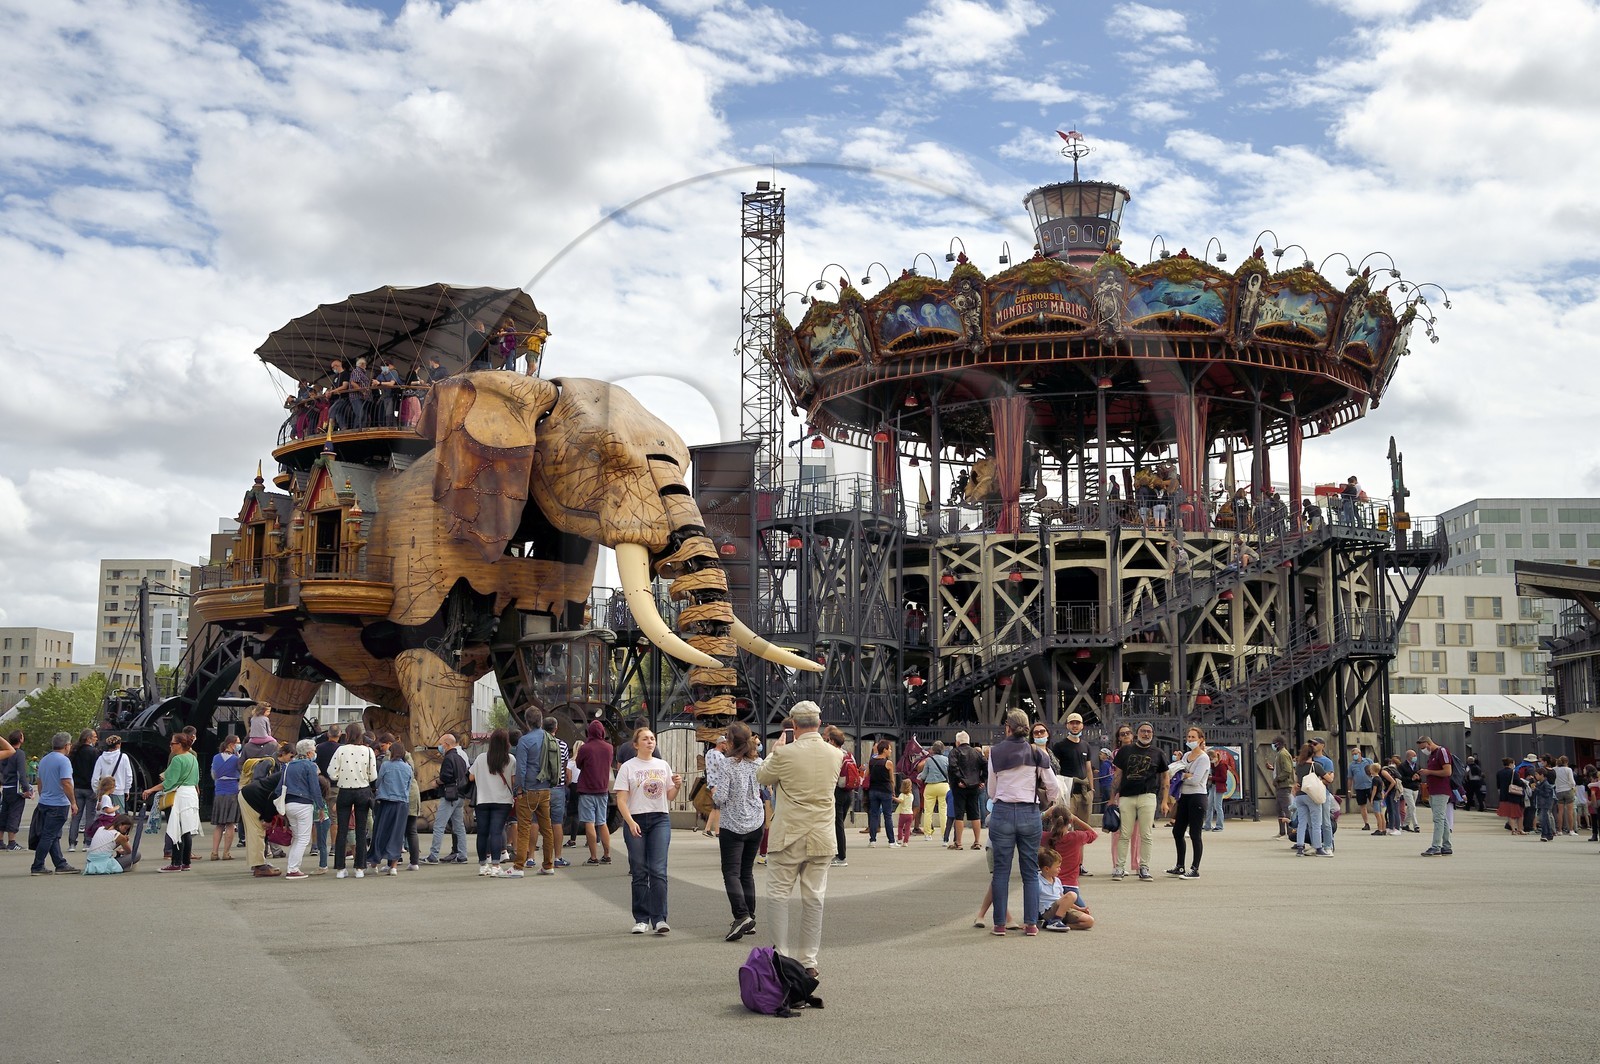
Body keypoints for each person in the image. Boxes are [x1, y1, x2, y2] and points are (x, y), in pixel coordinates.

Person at [757, 701, 844, 977]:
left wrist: (775, 752)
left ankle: (781, 958)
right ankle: (808, 961)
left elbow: (762, 776)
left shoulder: (784, 754)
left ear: (793, 725)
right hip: (821, 834)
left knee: (779, 895)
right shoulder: (836, 754)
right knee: (814, 898)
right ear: (819, 724)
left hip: (789, 833)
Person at [986, 709, 1060, 935]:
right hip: (1030, 812)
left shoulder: (995, 752)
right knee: (1029, 871)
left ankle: (999, 924)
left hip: (1003, 812)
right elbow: (1053, 787)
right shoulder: (1038, 753)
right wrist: (1049, 804)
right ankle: (1030, 924)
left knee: (1001, 872)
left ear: (1007, 727)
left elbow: (991, 790)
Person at [614, 727, 681, 934]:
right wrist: (630, 821)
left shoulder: (662, 765)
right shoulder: (628, 767)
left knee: (658, 870)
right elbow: (621, 799)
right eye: (645, 739)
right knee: (639, 871)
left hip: (660, 818)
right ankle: (641, 918)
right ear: (636, 744)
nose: (650, 742)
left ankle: (660, 918)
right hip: (636, 819)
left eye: (652, 739)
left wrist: (677, 786)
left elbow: (668, 796)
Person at [712, 722, 764, 942]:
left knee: (731, 872)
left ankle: (741, 915)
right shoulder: (758, 762)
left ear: (731, 742)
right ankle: (750, 916)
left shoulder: (727, 764)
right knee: (746, 871)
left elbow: (721, 796)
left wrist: (713, 792)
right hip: (756, 821)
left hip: (733, 823)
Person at [1109, 721, 1168, 881]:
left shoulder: (1158, 753)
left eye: (1149, 731)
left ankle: (1144, 867)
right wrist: (1111, 798)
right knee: (1124, 834)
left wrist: (1164, 800)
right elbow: (1118, 775)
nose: (1146, 734)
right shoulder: (1125, 751)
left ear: (1152, 734)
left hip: (1147, 795)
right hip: (1127, 796)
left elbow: (1165, 776)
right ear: (1137, 733)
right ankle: (1119, 868)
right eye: (1143, 731)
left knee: (1146, 834)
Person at [141, 732, 199, 873]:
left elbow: (169, 783)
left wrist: (151, 789)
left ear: (180, 744)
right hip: (190, 795)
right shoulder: (193, 758)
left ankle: (176, 862)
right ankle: (186, 862)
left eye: (173, 743)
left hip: (179, 796)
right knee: (186, 829)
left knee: (175, 829)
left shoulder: (177, 760)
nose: (170, 746)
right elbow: (196, 779)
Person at [329, 722, 379, 879]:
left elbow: (332, 773)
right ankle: (360, 867)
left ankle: (340, 868)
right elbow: (373, 776)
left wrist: (341, 776)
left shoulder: (341, 750)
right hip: (363, 790)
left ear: (347, 734)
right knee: (361, 829)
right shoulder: (368, 751)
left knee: (342, 829)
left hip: (345, 790)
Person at [239, 743, 293, 877]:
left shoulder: (287, 773)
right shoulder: (285, 775)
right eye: (291, 756)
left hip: (252, 795)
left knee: (257, 832)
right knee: (256, 832)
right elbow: (273, 797)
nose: (291, 760)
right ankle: (259, 866)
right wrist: (267, 818)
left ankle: (259, 862)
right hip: (252, 798)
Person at [513, 719, 559, 875]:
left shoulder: (525, 740)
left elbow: (521, 768)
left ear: (527, 721)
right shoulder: (550, 738)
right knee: (547, 829)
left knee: (524, 827)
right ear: (540, 721)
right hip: (546, 788)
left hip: (529, 789)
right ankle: (548, 865)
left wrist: (519, 788)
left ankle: (519, 866)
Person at [30, 732, 79, 876]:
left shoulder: (45, 759)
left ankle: (60, 863)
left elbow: (40, 782)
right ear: (66, 745)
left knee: (53, 834)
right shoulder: (64, 761)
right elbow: (66, 782)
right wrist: (73, 802)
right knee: (49, 835)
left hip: (45, 801)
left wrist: (43, 795)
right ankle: (37, 865)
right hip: (58, 803)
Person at [470, 729, 517, 877]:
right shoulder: (511, 759)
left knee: (482, 833)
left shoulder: (481, 758)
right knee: (496, 831)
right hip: (502, 801)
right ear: (506, 743)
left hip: (483, 800)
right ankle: (496, 866)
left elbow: (471, 778)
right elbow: (514, 781)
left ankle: (483, 865)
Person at [1166, 726, 1210, 879]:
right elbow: (1177, 773)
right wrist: (1185, 775)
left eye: (1193, 737)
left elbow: (1196, 780)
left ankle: (1195, 868)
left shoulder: (1203, 758)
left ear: (1201, 740)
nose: (1190, 740)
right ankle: (1180, 865)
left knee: (1195, 833)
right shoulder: (1186, 755)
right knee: (1177, 831)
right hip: (1184, 797)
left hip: (1197, 797)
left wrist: (1183, 776)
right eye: (1189, 737)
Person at [279, 739, 322, 880]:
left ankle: (292, 866)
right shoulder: (310, 766)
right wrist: (321, 807)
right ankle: (293, 869)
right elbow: (315, 788)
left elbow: (279, 788)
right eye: (314, 751)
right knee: (303, 838)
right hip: (303, 803)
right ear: (309, 753)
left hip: (289, 804)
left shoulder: (289, 765)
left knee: (297, 837)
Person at [573, 720, 613, 865]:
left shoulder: (585, 748)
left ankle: (593, 857)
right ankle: (607, 855)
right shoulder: (609, 748)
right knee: (602, 822)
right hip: (602, 789)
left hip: (587, 789)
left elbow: (578, 764)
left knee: (589, 822)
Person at [427, 732, 471, 864]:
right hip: (460, 795)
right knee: (459, 826)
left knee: (439, 825)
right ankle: (462, 854)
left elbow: (446, 776)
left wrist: (437, 782)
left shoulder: (448, 758)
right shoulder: (461, 758)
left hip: (449, 795)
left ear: (446, 744)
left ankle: (433, 855)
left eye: (441, 744)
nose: (440, 747)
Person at [371, 736, 412, 876]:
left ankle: (374, 863)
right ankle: (393, 866)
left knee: (380, 832)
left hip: (386, 801)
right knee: (397, 834)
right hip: (402, 803)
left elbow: (378, 782)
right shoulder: (408, 767)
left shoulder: (386, 765)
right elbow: (408, 785)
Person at [1049, 712, 1092, 827]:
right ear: (1067, 726)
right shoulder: (1059, 746)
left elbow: (1088, 769)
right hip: (1068, 793)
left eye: (1077, 723)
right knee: (1064, 827)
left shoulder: (1086, 746)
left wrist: (1091, 789)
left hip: (1084, 792)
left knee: (1082, 829)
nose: (1075, 726)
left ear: (1082, 725)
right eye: (1072, 723)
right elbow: (1054, 769)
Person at [1291, 742, 1331, 857]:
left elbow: (1296, 780)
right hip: (1312, 796)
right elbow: (1328, 779)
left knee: (1302, 822)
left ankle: (1300, 847)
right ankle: (1318, 847)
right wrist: (1329, 774)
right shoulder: (1315, 766)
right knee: (1316, 823)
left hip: (1300, 796)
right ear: (1312, 753)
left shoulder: (1298, 766)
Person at [1417, 735, 1454, 856]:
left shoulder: (1442, 751)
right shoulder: (1432, 755)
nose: (1423, 750)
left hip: (1441, 790)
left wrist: (1429, 772)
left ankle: (1436, 846)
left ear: (1428, 743)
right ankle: (1446, 846)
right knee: (1442, 818)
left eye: (1423, 747)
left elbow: (1448, 771)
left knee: (1438, 818)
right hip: (1434, 790)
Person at [948, 730, 984, 850]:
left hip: (960, 787)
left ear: (957, 742)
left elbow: (953, 767)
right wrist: (981, 780)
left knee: (959, 814)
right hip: (974, 786)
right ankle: (977, 841)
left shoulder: (954, 752)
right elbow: (985, 764)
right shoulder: (977, 753)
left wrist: (960, 780)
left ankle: (959, 843)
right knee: (975, 814)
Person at [208, 734, 242, 861]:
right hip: (232, 791)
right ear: (231, 744)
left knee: (219, 825)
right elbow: (241, 771)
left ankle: (214, 852)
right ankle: (226, 853)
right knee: (230, 824)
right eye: (237, 742)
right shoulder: (236, 759)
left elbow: (213, 775)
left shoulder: (216, 757)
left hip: (219, 792)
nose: (239, 745)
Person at [824, 726, 854, 867]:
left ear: (832, 740)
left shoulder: (833, 754)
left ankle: (841, 856)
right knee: (839, 824)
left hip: (837, 791)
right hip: (848, 792)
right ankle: (838, 854)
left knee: (837, 825)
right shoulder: (848, 754)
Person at [67, 727, 99, 852]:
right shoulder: (94, 752)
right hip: (90, 787)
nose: (96, 738)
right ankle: (87, 842)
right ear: (89, 738)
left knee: (76, 816)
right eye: (94, 736)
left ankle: (72, 843)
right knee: (90, 816)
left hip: (77, 787)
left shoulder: (74, 751)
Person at [2, 729, 31, 850]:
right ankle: (12, 841)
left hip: (6, 786)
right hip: (15, 787)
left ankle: (0, 841)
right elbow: (21, 773)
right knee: (15, 814)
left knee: (4, 813)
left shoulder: (4, 754)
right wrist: (26, 789)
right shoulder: (19, 754)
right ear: (20, 739)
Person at [865, 739, 897, 847]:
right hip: (885, 790)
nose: (890, 751)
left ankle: (872, 840)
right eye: (889, 749)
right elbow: (892, 779)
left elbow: (866, 775)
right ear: (884, 750)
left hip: (873, 790)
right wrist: (893, 791)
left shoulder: (871, 762)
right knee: (888, 816)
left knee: (874, 815)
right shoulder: (888, 763)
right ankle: (891, 841)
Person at [916, 741, 949, 841]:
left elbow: (924, 775)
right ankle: (944, 835)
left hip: (930, 786)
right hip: (943, 785)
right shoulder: (946, 760)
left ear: (933, 750)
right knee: (943, 811)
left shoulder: (929, 760)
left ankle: (928, 834)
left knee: (928, 811)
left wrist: (920, 776)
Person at [1495, 756, 1526, 835]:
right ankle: (1520, 829)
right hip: (1514, 795)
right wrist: (1524, 783)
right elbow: (1518, 782)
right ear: (1511, 763)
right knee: (1519, 813)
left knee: (1510, 814)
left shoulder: (1499, 772)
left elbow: (1498, 785)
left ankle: (1513, 829)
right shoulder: (1513, 772)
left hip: (1504, 796)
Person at [1348, 745, 1376, 831]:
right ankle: (1366, 823)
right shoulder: (1351, 765)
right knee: (1362, 806)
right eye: (1353, 754)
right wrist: (1349, 790)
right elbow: (1350, 778)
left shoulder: (1368, 761)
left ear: (1360, 753)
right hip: (1359, 788)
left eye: (1356, 753)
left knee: (1375, 804)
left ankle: (1380, 821)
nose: (1354, 755)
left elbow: (1375, 773)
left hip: (1370, 786)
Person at [1204, 745, 1229, 831]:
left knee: (1218, 806)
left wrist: (1212, 778)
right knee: (1209, 805)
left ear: (1214, 757)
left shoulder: (1222, 765)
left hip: (1219, 787)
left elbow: (1224, 778)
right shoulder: (1213, 765)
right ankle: (1207, 825)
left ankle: (1220, 826)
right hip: (1213, 786)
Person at [1553, 756, 1577, 835]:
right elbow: (1572, 782)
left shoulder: (1555, 769)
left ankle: (1559, 830)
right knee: (1570, 811)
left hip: (1559, 791)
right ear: (1566, 762)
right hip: (1568, 790)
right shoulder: (1568, 769)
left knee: (1560, 811)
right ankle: (1571, 830)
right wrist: (1572, 787)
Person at [893, 778, 916, 846]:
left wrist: (894, 798)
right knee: (907, 828)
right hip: (910, 814)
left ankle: (900, 839)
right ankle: (906, 842)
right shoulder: (911, 795)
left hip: (903, 813)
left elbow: (900, 801)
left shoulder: (902, 795)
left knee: (900, 827)